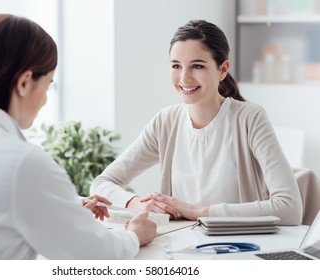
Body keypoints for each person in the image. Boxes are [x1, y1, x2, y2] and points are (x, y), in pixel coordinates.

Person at [0, 14, 156, 260]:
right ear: (25, 83)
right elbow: (97, 255)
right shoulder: (22, 162)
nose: (46, 99)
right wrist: (135, 234)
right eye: (47, 85)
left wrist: (61, 210)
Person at [90, 19, 303, 226]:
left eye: (197, 66)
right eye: (176, 66)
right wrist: (136, 203)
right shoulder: (166, 121)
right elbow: (101, 184)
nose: (184, 78)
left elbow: (290, 207)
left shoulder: (249, 118)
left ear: (222, 69)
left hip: (238, 248)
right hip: (181, 245)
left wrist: (199, 212)